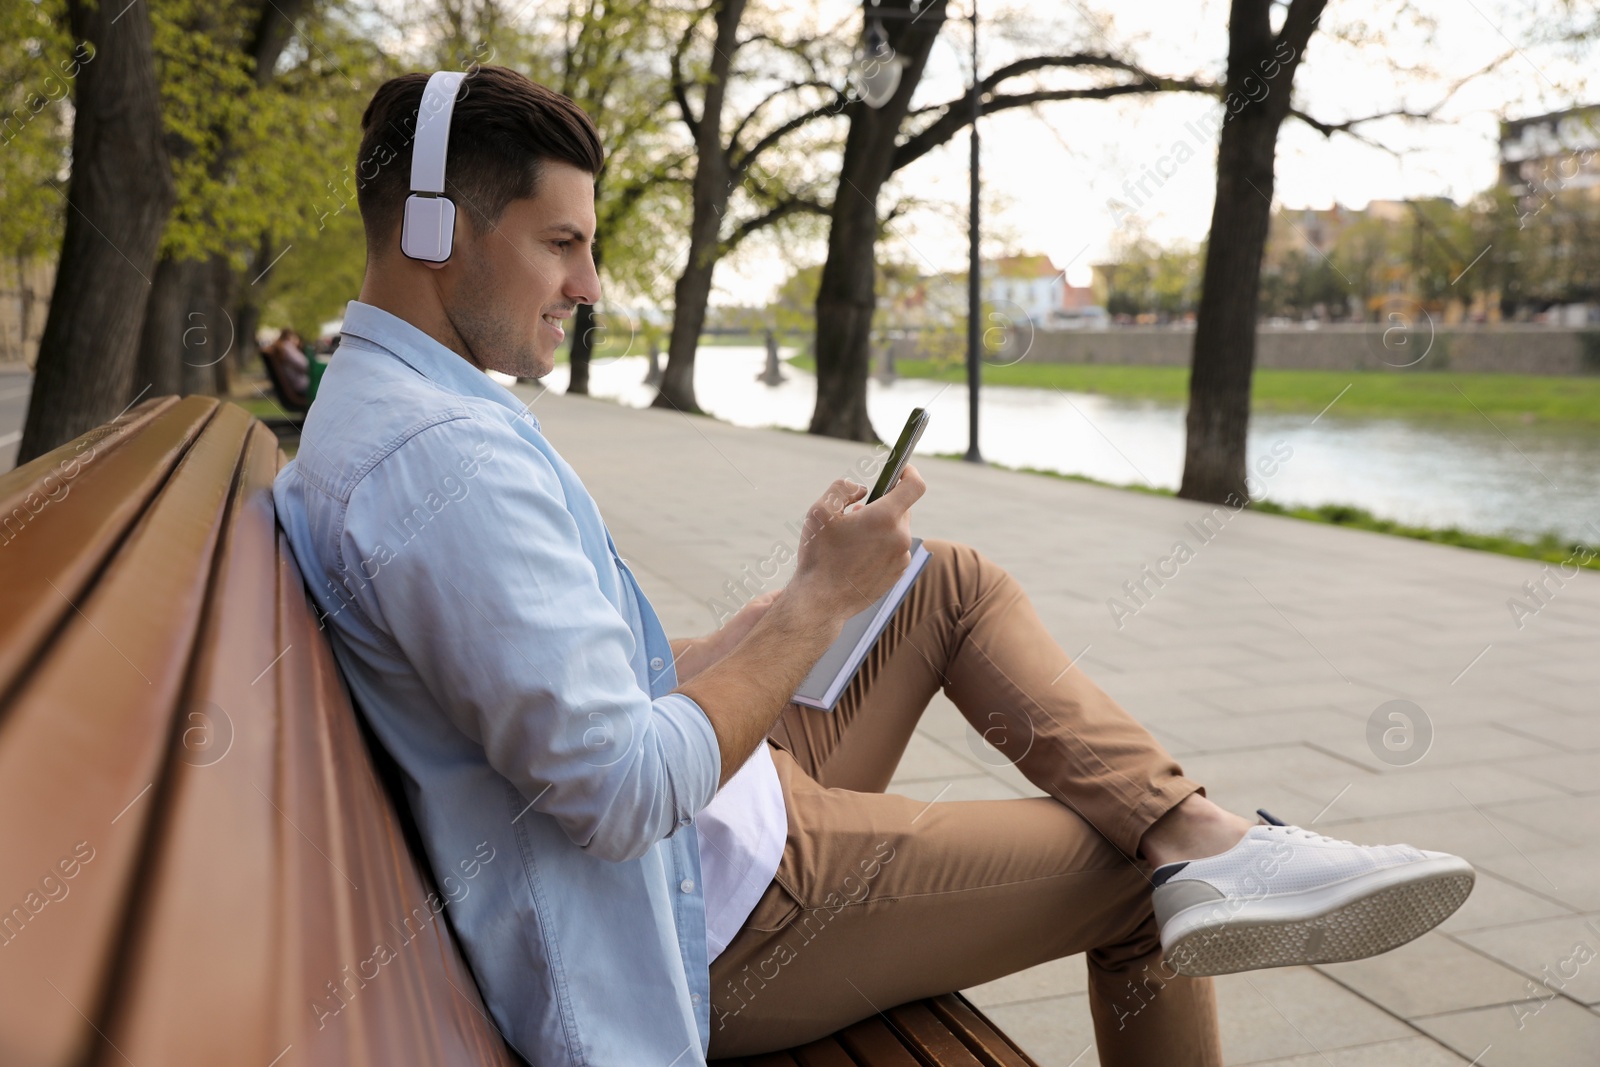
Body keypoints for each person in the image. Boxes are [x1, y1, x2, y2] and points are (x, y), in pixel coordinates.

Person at [272, 67, 1474, 1067]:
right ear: (438, 230)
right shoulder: (440, 461)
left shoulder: (398, 408)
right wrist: (810, 608)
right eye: (562, 245)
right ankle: (1195, 852)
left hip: (727, 822)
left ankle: (1198, 827)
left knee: (937, 579)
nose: (587, 287)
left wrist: (767, 618)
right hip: (712, 916)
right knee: (1128, 873)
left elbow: (565, 692)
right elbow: (621, 792)